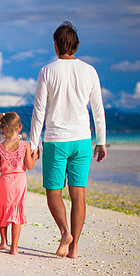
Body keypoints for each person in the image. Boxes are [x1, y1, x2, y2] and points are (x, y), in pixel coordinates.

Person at [29, 21, 107, 258]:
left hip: (55, 140)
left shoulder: (47, 71)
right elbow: (98, 109)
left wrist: (33, 145)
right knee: (78, 195)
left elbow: (39, 111)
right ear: (77, 45)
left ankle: (65, 233)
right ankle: (73, 248)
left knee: (54, 192)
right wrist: (101, 141)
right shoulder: (90, 71)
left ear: (55, 45)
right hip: (83, 140)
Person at [0, 112, 38, 255]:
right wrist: (35, 154)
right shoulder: (25, 145)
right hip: (19, 183)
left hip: (5, 183)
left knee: (2, 211)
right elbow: (30, 166)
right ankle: (14, 247)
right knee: (16, 213)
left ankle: (3, 242)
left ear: (2, 129)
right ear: (19, 128)